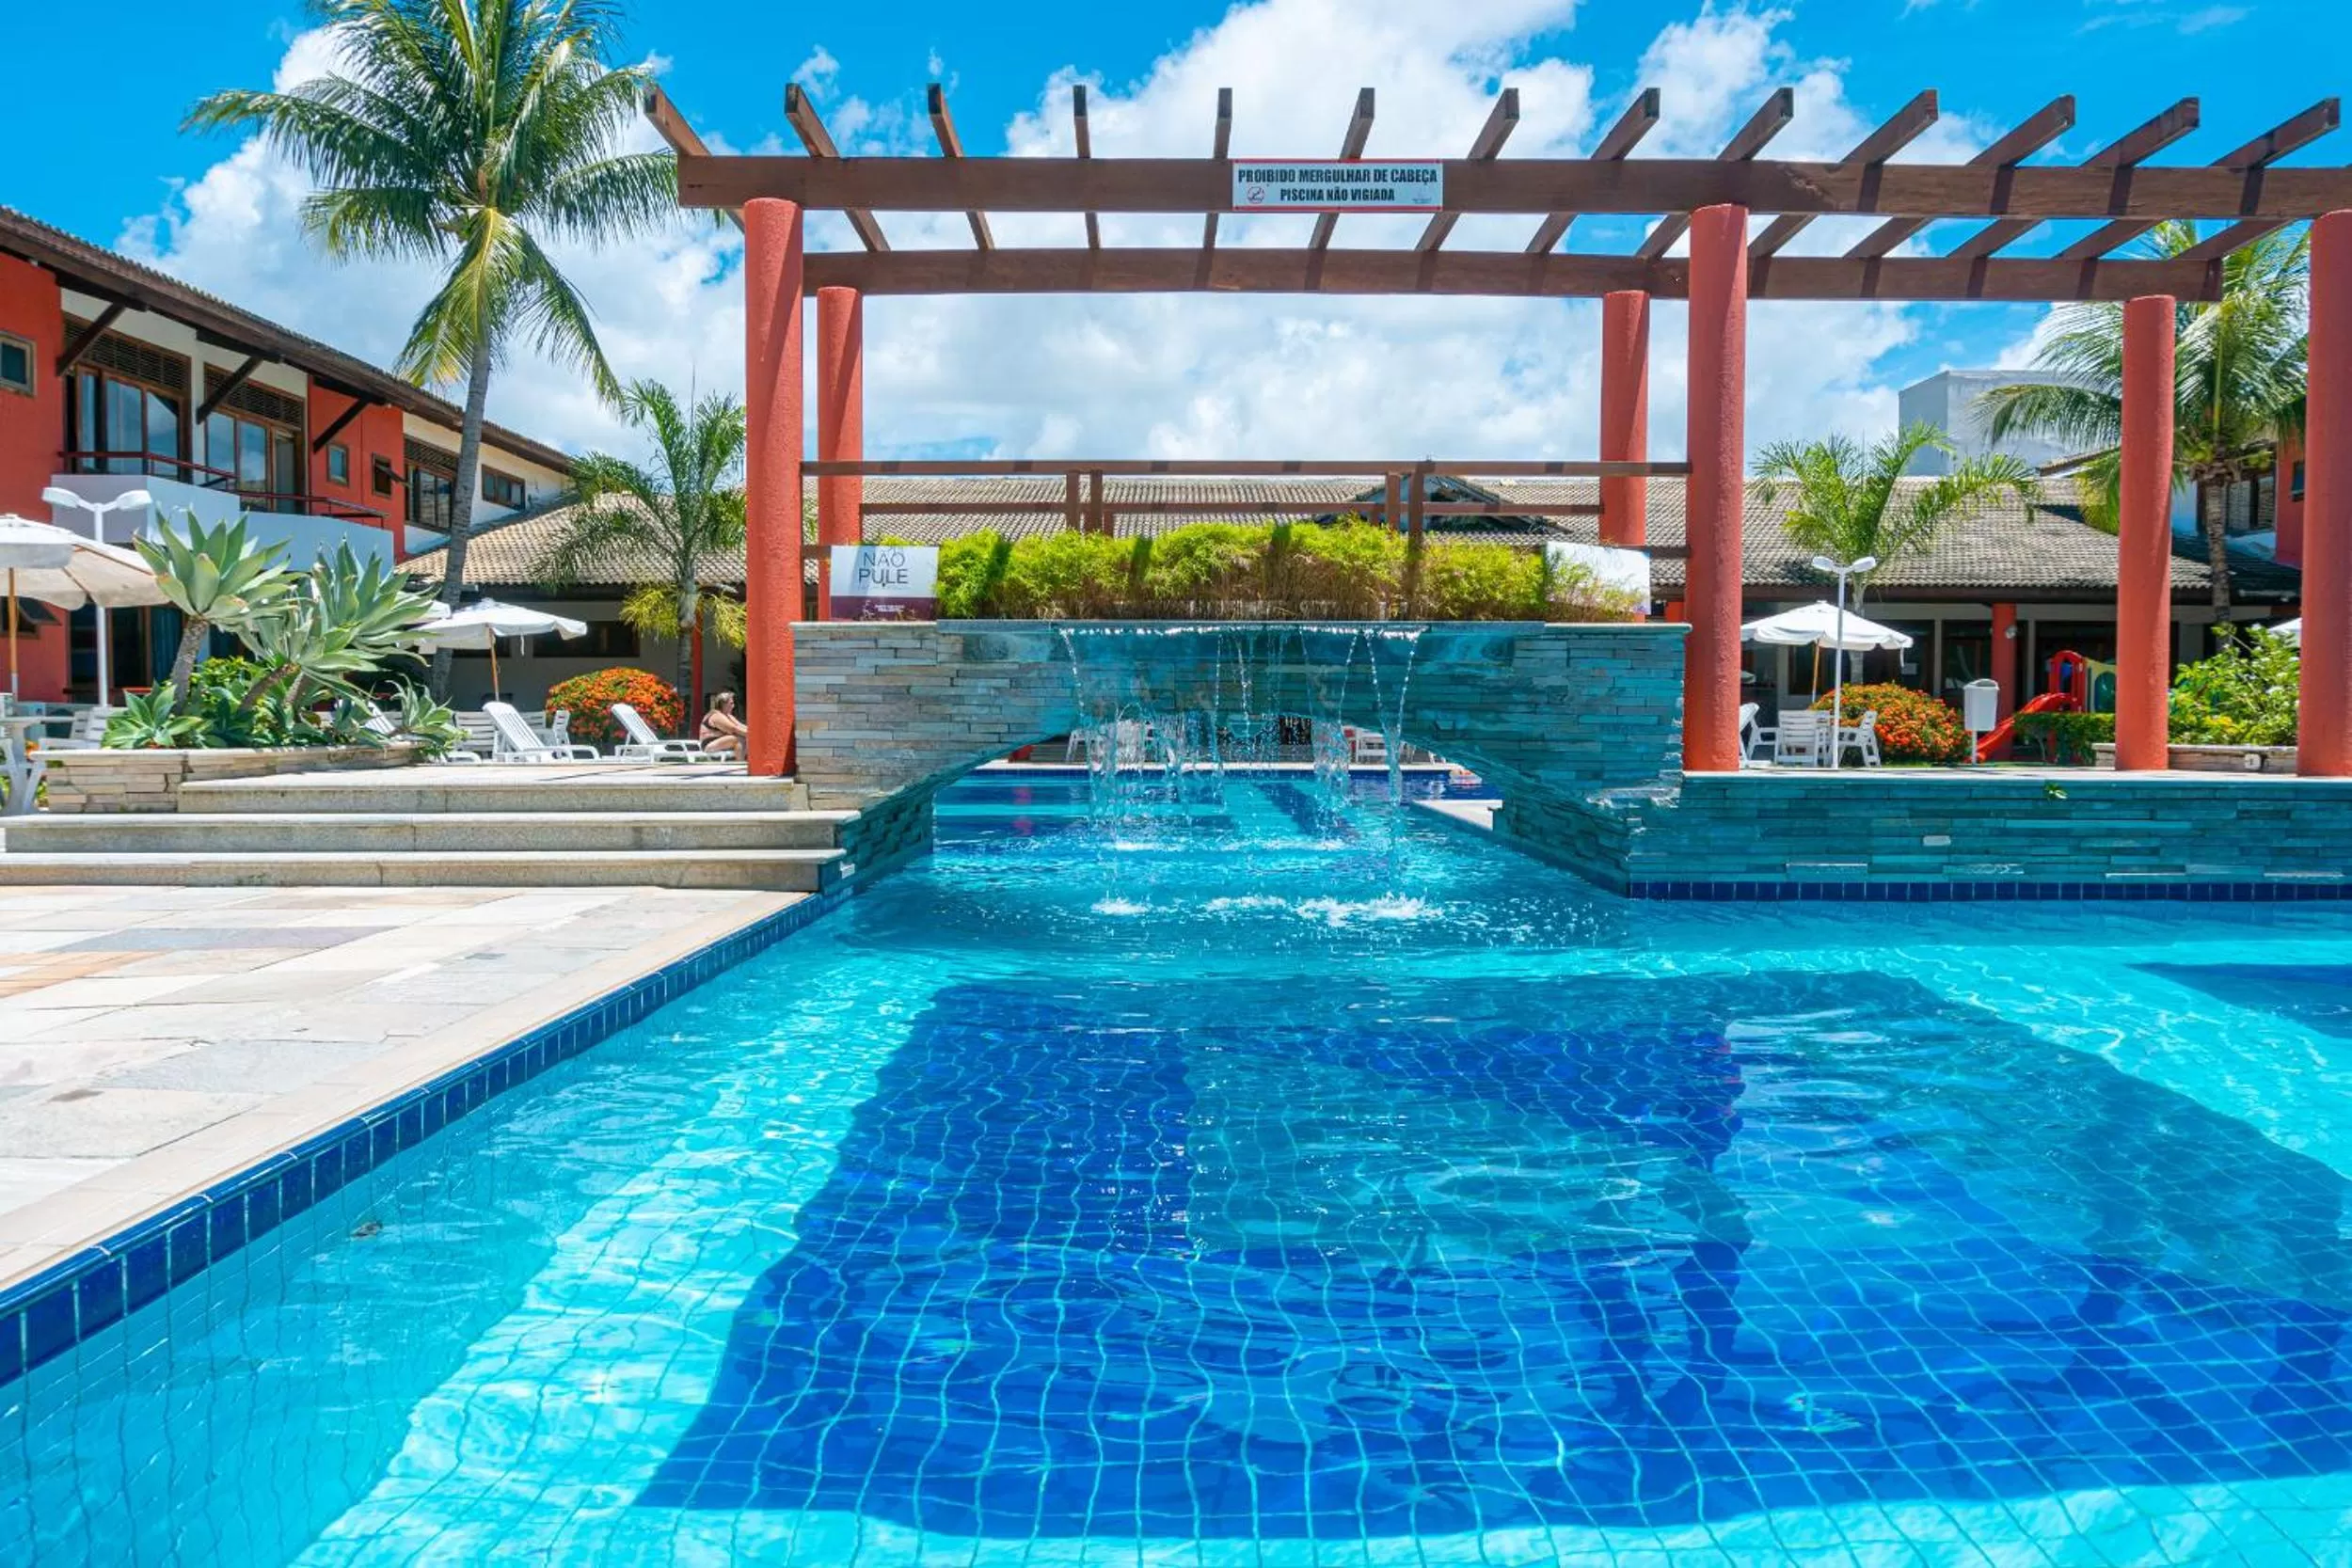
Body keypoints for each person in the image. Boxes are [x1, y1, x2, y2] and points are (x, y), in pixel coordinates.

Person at [700, 690, 748, 757]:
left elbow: (741, 726)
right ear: (723, 704)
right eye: (731, 703)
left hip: (721, 742)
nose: (733, 706)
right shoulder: (716, 715)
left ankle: (747, 761)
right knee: (738, 738)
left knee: (744, 739)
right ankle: (739, 763)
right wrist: (753, 735)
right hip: (709, 745)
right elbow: (734, 729)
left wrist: (755, 733)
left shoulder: (729, 716)